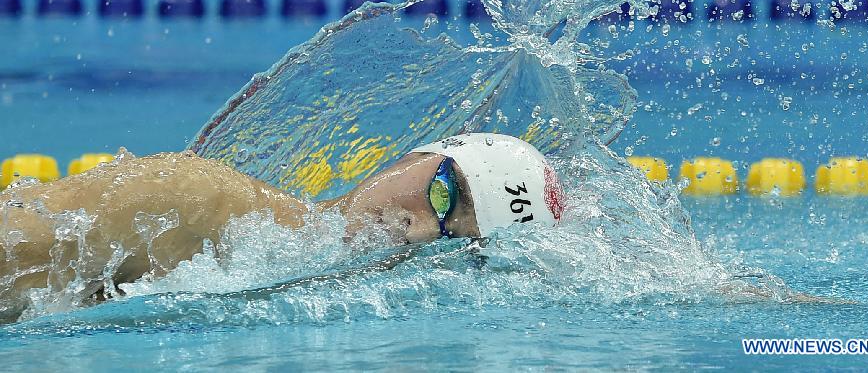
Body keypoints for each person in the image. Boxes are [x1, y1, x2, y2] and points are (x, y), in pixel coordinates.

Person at [0, 134, 564, 322]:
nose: (417, 229)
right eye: (444, 193)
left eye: (455, 242)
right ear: (415, 158)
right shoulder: (198, 200)